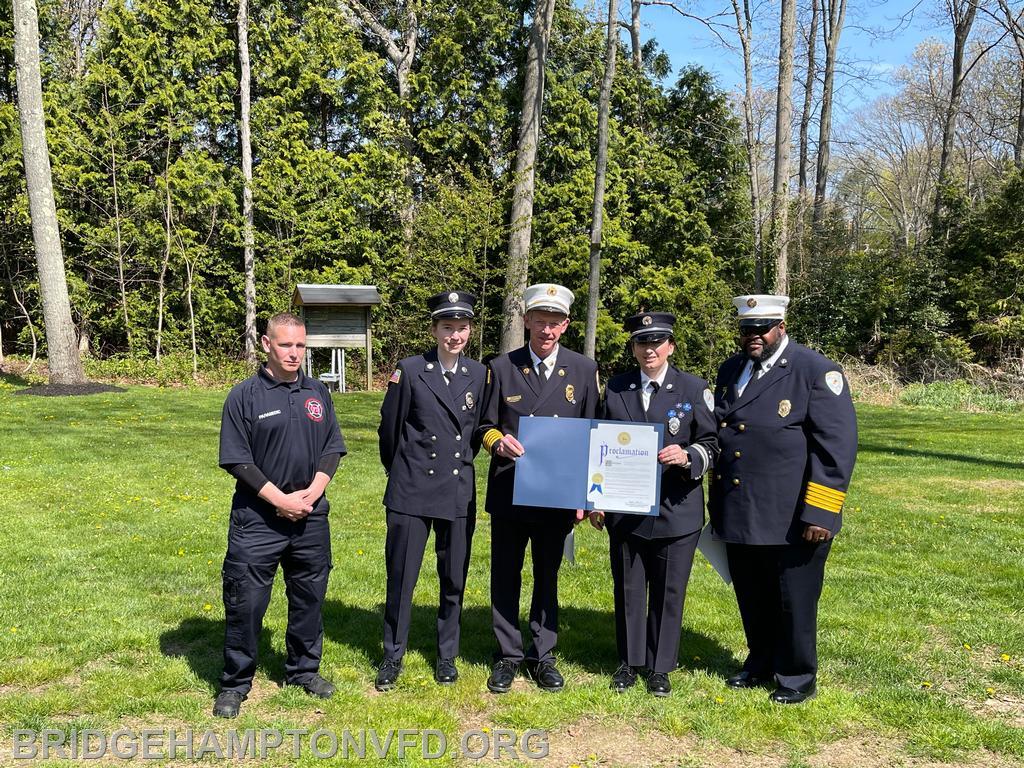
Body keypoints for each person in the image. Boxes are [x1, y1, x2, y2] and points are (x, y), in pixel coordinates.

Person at [709, 294, 857, 704]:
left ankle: (796, 676)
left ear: (781, 327)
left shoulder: (815, 371)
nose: (754, 336)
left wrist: (822, 512)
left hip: (794, 514)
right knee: (752, 592)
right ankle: (759, 662)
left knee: (794, 599)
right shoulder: (732, 369)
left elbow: (836, 448)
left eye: (763, 328)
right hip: (741, 507)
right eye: (746, 330)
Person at [213, 312, 347, 718]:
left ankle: (303, 671)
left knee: (308, 597)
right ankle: (236, 683)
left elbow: (332, 447)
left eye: (301, 345)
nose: (294, 353)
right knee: (246, 603)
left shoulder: (318, 393)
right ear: (267, 345)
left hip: (310, 516)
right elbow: (237, 460)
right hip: (258, 519)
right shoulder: (244, 396)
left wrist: (314, 490)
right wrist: (279, 500)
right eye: (286, 345)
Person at [476, 283, 600, 693]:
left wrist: (586, 496)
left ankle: (543, 654)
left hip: (557, 495)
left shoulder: (584, 370)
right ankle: (508, 655)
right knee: (505, 575)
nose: (546, 330)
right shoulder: (502, 366)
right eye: (539, 322)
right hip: (510, 489)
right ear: (526, 320)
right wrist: (498, 443)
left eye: (554, 323)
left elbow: (591, 435)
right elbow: (483, 426)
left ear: (565, 325)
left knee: (547, 575)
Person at [590, 311, 718, 696]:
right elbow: (600, 445)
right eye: (642, 343)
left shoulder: (694, 389)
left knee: (669, 590)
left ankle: (660, 667)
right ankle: (629, 663)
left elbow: (713, 444)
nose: (650, 349)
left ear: (671, 346)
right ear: (633, 348)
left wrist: (688, 456)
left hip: (677, 508)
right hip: (625, 509)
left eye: (658, 342)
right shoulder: (616, 388)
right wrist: (595, 500)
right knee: (629, 588)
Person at [374, 291, 487, 691]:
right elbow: (390, 430)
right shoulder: (410, 369)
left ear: (469, 330)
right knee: (401, 576)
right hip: (411, 489)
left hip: (456, 489)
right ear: (434, 330)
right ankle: (393, 654)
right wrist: (402, 470)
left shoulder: (479, 374)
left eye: (461, 328)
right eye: (447, 328)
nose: (454, 336)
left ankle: (447, 656)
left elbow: (474, 434)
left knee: (453, 577)